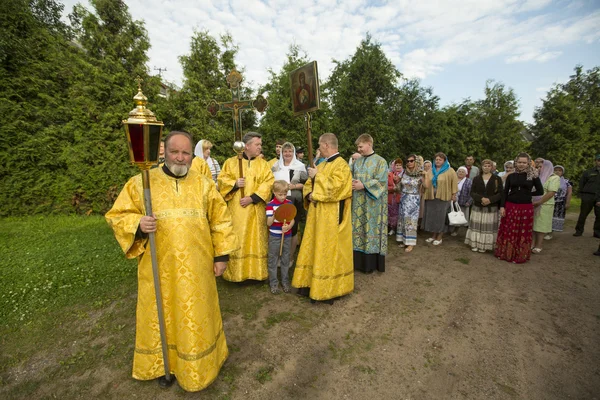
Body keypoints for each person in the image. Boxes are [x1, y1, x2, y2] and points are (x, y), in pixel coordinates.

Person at [105, 131, 238, 392]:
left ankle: (200, 364)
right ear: (164, 151)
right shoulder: (141, 183)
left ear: (192, 155)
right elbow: (118, 215)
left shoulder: (203, 184)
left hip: (198, 268)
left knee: (197, 317)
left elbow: (221, 220)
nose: (180, 157)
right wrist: (138, 224)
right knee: (161, 315)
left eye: (186, 152)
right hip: (160, 269)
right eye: (175, 151)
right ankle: (162, 365)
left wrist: (222, 256)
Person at [292, 133, 353, 304]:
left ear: (326, 145)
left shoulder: (341, 165)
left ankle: (327, 289)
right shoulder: (323, 164)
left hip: (331, 216)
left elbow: (338, 188)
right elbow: (310, 185)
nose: (318, 148)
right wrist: (310, 193)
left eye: (320, 145)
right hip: (316, 214)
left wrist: (317, 177)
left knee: (327, 250)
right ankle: (309, 283)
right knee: (314, 246)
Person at [218, 132, 275, 282]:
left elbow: (269, 182)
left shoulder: (263, 164)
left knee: (255, 239)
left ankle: (257, 274)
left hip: (256, 209)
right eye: (257, 144)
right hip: (238, 209)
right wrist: (235, 184)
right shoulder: (230, 162)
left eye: (260, 145)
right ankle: (237, 274)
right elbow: (222, 180)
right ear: (247, 146)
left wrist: (253, 198)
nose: (260, 147)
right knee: (239, 237)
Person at [495, 152, 544, 263]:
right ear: (516, 163)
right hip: (510, 205)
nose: (521, 164)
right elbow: (505, 192)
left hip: (525, 207)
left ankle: (519, 255)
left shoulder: (533, 176)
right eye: (519, 162)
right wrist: (502, 206)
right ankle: (506, 253)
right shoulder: (511, 176)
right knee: (508, 230)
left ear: (528, 163)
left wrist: (527, 195)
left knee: (522, 231)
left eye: (524, 162)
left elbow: (540, 191)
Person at [350, 134, 388, 274]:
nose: (359, 149)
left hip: (373, 205)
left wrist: (364, 185)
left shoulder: (380, 161)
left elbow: (382, 181)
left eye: (360, 146)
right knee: (357, 231)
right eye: (358, 147)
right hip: (357, 204)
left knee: (371, 230)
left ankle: (370, 265)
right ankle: (358, 263)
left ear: (368, 143)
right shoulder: (357, 162)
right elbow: (350, 176)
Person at [271, 142, 308, 256]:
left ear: (294, 153)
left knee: (292, 227)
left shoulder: (300, 167)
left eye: (290, 151)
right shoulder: (275, 166)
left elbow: (306, 184)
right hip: (277, 200)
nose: (288, 153)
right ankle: (278, 254)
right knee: (277, 226)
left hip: (293, 200)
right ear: (282, 153)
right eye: (285, 151)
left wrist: (294, 186)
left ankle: (290, 256)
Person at [465, 159, 503, 253]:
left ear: (492, 167)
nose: (487, 168)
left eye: (489, 166)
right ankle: (475, 244)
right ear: (481, 167)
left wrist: (490, 200)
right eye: (485, 166)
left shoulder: (497, 179)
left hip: (491, 206)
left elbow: (500, 193)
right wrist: (481, 198)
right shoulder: (477, 178)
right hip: (478, 205)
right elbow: (472, 192)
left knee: (487, 227)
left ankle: (484, 245)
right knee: (477, 226)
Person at [422, 153, 458, 246]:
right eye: (436, 159)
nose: (438, 161)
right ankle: (433, 235)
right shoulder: (430, 170)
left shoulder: (450, 171)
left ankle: (440, 236)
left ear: (444, 161)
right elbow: (426, 182)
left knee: (441, 218)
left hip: (443, 198)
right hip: (431, 198)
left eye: (440, 159)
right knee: (433, 217)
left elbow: (454, 183)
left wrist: (454, 194)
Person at [266, 180, 295, 294]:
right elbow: (268, 223)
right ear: (274, 192)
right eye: (280, 194)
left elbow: (292, 220)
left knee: (285, 259)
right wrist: (275, 214)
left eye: (285, 194)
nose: (283, 197)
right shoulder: (270, 205)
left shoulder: (289, 204)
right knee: (273, 259)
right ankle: (274, 283)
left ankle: (285, 281)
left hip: (286, 236)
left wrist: (288, 227)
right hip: (274, 236)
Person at [531, 160, 560, 253]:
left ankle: (538, 246)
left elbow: (551, 192)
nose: (539, 169)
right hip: (533, 204)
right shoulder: (536, 176)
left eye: (541, 167)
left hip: (545, 205)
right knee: (532, 225)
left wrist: (539, 202)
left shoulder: (554, 178)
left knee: (541, 226)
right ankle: (531, 244)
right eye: (537, 167)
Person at [395, 154, 422, 253]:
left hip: (413, 199)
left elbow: (427, 186)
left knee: (411, 221)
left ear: (416, 162)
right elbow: (398, 183)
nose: (409, 163)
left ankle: (411, 243)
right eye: (407, 161)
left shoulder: (420, 173)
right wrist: (396, 180)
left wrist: (426, 175)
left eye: (411, 161)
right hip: (403, 198)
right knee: (402, 219)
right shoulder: (404, 173)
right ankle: (404, 240)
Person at [574, 154, 600, 238]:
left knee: (599, 216)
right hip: (588, 196)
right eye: (599, 160)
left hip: (599, 197)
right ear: (595, 161)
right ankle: (579, 231)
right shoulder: (588, 172)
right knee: (583, 214)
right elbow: (582, 184)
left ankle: (597, 232)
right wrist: (582, 195)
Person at [549, 165, 572, 238]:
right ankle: (545, 231)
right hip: (549, 200)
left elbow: (569, 192)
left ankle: (550, 232)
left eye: (560, 170)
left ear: (562, 172)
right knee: (548, 216)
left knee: (555, 217)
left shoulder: (567, 181)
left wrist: (568, 202)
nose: (557, 172)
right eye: (556, 170)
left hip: (560, 202)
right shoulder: (549, 179)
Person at [450, 166, 473, 237]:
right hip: (451, 200)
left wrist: (469, 202)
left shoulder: (468, 181)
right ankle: (449, 228)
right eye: (459, 171)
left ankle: (456, 230)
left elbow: (471, 193)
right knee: (451, 214)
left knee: (459, 216)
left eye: (463, 172)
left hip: (462, 201)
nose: (460, 173)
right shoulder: (453, 179)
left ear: (466, 173)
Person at [387, 159, 403, 235]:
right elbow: (385, 186)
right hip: (391, 197)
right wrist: (392, 188)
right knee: (391, 214)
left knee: (400, 213)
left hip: (401, 197)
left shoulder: (404, 175)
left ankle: (400, 230)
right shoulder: (389, 174)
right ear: (393, 166)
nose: (398, 166)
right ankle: (392, 228)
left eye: (400, 165)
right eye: (397, 165)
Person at [418, 159, 432, 226]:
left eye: (428, 166)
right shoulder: (421, 174)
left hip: (429, 194)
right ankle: (420, 223)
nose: (427, 167)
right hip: (422, 194)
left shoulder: (433, 174)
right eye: (425, 166)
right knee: (421, 209)